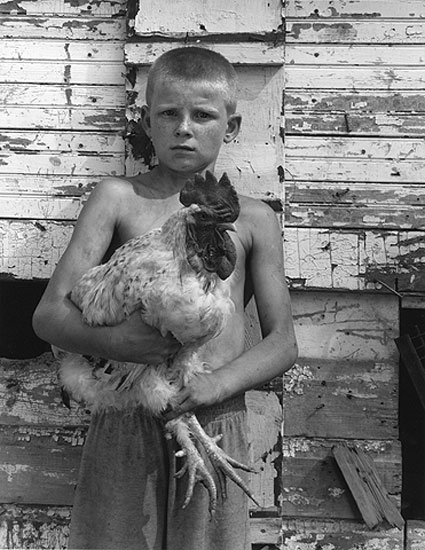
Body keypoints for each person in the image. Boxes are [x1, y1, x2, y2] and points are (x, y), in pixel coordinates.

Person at [33, 46, 298, 550]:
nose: (184, 128)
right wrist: (124, 345)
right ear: (146, 121)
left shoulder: (256, 219)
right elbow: (48, 315)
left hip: (215, 417)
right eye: (169, 114)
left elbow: (283, 342)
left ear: (232, 125)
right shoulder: (116, 197)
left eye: (202, 115)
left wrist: (215, 385)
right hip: (126, 412)